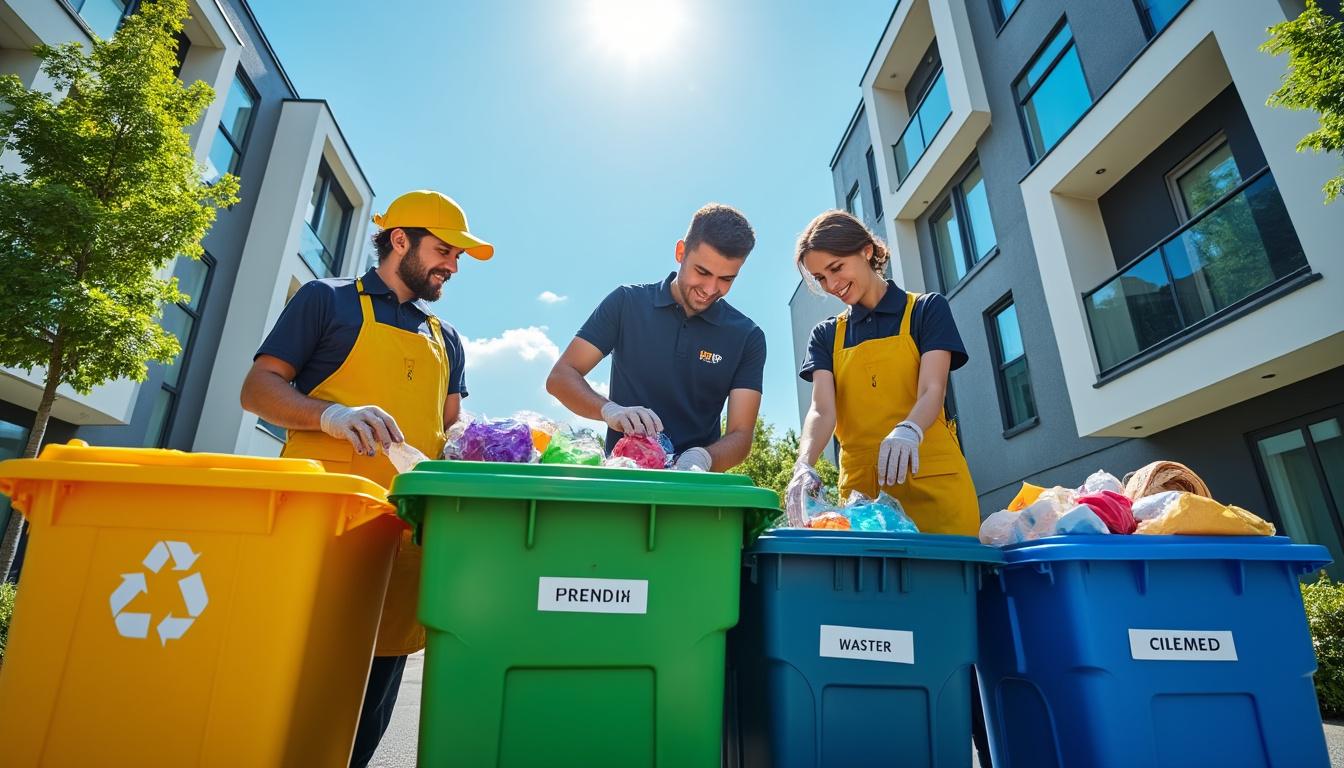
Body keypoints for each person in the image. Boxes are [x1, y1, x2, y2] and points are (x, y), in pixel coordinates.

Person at [239, 190, 488, 767]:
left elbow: (451, 428)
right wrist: (331, 414)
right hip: (323, 533)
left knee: (371, 708)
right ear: (399, 240)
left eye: (457, 256)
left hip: (403, 539)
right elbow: (257, 389)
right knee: (297, 693)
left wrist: (482, 444)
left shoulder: (444, 337)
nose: (452, 265)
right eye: (444, 250)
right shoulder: (326, 301)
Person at [785, 210, 992, 766]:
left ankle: (981, 750)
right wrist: (806, 462)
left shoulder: (926, 311)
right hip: (865, 503)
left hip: (936, 486)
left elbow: (932, 389)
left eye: (837, 268)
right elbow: (821, 410)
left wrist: (909, 427)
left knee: (956, 635)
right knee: (873, 633)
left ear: (867, 251)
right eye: (820, 279)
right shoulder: (827, 334)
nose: (832, 285)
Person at [546, 203, 766, 472]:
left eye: (726, 279)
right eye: (703, 272)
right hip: (624, 482)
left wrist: (702, 458)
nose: (710, 289)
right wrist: (609, 410)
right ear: (681, 252)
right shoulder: (626, 303)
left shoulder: (747, 336)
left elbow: (741, 435)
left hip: (695, 490)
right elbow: (561, 377)